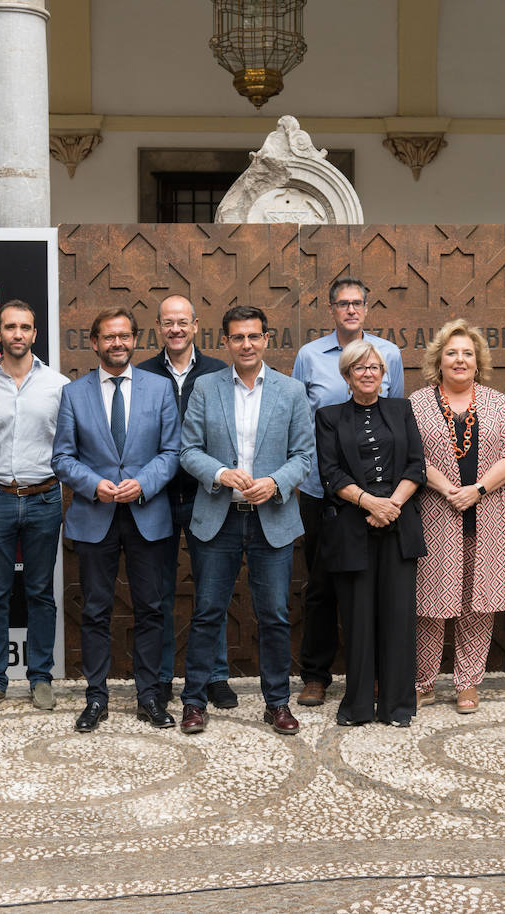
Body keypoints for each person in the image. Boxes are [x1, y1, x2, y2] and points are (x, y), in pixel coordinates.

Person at [177, 305, 314, 736]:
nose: (247, 344)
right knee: (207, 613)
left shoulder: (291, 391)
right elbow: (188, 450)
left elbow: (305, 457)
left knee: (273, 614)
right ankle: (194, 702)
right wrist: (219, 473)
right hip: (218, 519)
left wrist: (275, 482)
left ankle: (277, 703)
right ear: (226, 342)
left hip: (270, 519)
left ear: (267, 339)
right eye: (238, 337)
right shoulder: (204, 387)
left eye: (254, 336)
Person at [54, 307, 180, 732]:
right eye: (109, 337)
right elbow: (62, 458)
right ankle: (96, 697)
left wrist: (143, 483)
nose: (118, 343)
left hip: (148, 515)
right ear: (94, 343)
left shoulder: (160, 390)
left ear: (134, 340)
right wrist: (93, 485)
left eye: (125, 336)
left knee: (151, 608)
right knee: (94, 610)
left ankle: (149, 695)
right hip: (95, 514)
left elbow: (172, 453)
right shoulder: (74, 393)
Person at [292, 277, 406, 707]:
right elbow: (299, 421)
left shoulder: (388, 354)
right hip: (323, 491)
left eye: (357, 303)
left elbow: (397, 420)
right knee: (321, 584)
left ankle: (374, 676)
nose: (351, 310)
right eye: (342, 304)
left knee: (375, 588)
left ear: (367, 307)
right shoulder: (309, 356)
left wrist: (387, 499)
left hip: (380, 499)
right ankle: (316, 675)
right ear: (331, 309)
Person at [409, 319, 505, 714]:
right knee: (429, 604)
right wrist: (448, 490)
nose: (460, 360)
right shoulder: (418, 404)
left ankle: (468, 685)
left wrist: (476, 490)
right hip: (435, 519)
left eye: (467, 354)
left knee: (479, 606)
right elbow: (410, 458)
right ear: (438, 360)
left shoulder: (497, 402)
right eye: (452, 353)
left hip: (488, 518)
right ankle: (421, 682)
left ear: (478, 362)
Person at [315, 339, 425, 727]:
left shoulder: (402, 409)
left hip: (399, 526)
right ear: (347, 376)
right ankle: (358, 706)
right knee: (358, 620)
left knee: (398, 617)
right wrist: (370, 503)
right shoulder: (329, 417)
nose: (367, 373)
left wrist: (391, 504)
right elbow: (331, 473)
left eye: (374, 367)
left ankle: (398, 707)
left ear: (384, 375)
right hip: (352, 529)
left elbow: (416, 466)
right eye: (359, 368)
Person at [0, 300, 69, 712]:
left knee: (41, 591)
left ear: (34, 334)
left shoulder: (58, 384)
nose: (18, 334)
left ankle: (40, 677)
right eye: (10, 327)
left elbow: (67, 445)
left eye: (25, 327)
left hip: (45, 497)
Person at [136, 294, 232, 710]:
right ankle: (159, 679)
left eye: (183, 322)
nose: (175, 329)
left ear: (196, 326)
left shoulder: (218, 372)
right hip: (155, 498)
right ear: (159, 328)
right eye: (167, 323)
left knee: (212, 591)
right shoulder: (141, 374)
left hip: (206, 496)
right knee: (157, 594)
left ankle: (215, 675)